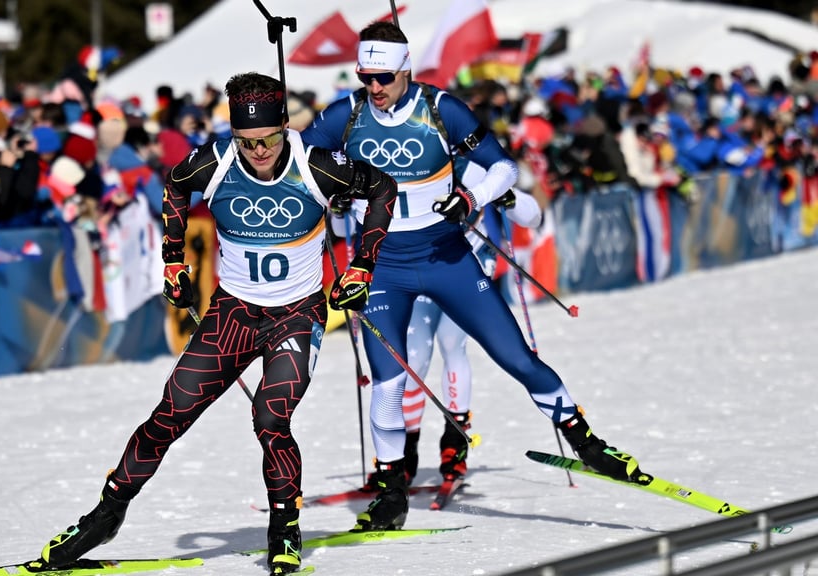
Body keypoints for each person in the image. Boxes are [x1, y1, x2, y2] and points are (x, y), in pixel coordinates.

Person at [40, 72, 398, 575]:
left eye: (269, 139)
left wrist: (362, 266)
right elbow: (174, 186)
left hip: (295, 315)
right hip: (232, 313)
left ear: (284, 128)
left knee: (271, 420)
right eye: (247, 142)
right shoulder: (216, 159)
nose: (258, 152)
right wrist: (173, 261)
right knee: (169, 414)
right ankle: (105, 514)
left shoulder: (316, 165)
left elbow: (383, 188)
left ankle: (284, 529)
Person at [301, 21, 644, 532]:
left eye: (385, 77)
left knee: (515, 357)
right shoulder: (344, 115)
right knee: (386, 383)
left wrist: (473, 197)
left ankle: (587, 442)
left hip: (446, 257)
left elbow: (502, 167)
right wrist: (330, 190)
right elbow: (298, 165)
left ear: (405, 70)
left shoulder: (442, 109)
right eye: (366, 76)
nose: (374, 87)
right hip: (382, 265)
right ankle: (392, 491)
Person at [398, 189, 544, 486]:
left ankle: (454, 443)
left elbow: (533, 216)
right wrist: (342, 207)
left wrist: (511, 200)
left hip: (469, 260)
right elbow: (345, 223)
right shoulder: (406, 155)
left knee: (452, 343)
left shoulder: (474, 157)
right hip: (421, 262)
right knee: (415, 358)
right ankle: (404, 451)